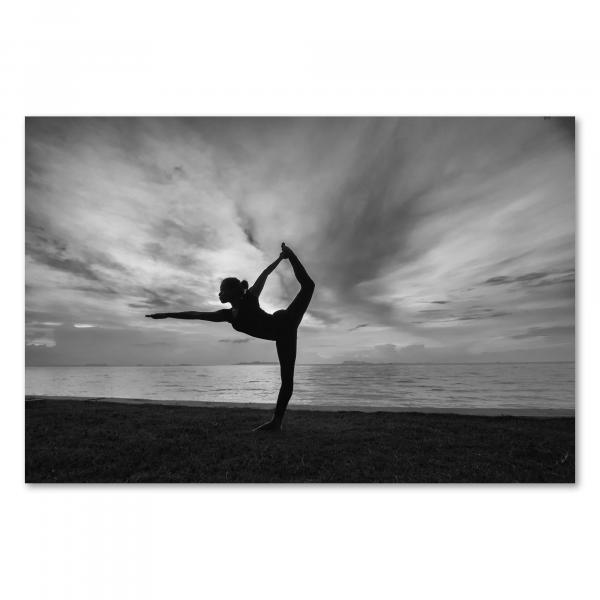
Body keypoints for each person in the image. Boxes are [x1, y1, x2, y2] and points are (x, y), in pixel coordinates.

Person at [146, 242, 315, 432]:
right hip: (281, 334)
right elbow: (197, 314)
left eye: (222, 290)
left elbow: (265, 273)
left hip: (286, 324)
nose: (219, 294)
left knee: (309, 286)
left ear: (234, 291)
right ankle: (276, 423)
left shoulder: (250, 298)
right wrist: (168, 314)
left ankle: (291, 254)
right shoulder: (226, 315)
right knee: (286, 379)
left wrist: (282, 257)